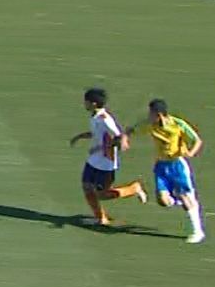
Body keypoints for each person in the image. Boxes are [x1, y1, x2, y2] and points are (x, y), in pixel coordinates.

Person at [70, 87, 146, 226]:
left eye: (86, 101)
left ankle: (133, 189)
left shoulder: (106, 119)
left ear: (93, 103)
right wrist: (80, 136)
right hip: (93, 161)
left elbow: (118, 137)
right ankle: (101, 218)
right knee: (87, 187)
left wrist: (102, 147)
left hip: (106, 163)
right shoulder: (94, 116)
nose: (84, 104)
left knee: (102, 194)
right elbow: (97, 134)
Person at [135, 98, 204, 243]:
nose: (149, 116)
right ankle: (178, 198)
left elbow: (197, 140)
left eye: (151, 113)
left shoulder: (178, 124)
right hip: (161, 165)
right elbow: (132, 130)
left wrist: (191, 153)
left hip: (177, 166)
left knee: (186, 199)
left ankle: (197, 231)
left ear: (159, 114)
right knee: (163, 201)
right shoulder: (150, 125)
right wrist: (123, 138)